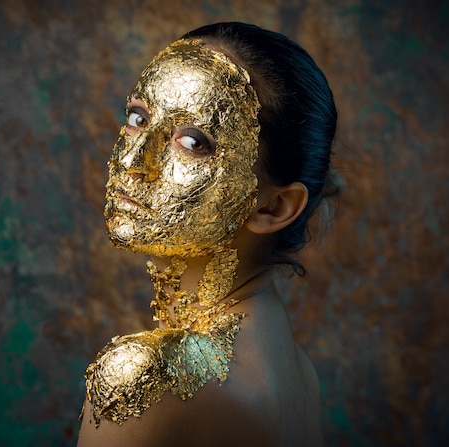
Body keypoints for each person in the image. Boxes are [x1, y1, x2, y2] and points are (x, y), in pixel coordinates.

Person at [77, 22, 341, 447]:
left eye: (193, 142)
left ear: (274, 206)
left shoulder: (146, 379)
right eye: (138, 117)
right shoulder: (295, 369)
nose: (133, 159)